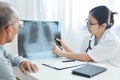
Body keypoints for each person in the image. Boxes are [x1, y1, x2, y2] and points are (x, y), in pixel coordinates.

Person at [51, 5, 120, 68]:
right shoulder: (88, 38)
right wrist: (63, 45)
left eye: (91, 23)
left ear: (103, 26)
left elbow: (87, 57)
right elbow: (78, 56)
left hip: (111, 73)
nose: (87, 25)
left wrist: (61, 53)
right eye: (87, 21)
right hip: (94, 71)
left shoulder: (112, 41)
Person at [0, 2, 38, 80]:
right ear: (9, 30)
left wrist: (21, 62)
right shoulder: (2, 65)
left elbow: (7, 55)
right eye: (18, 26)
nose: (18, 30)